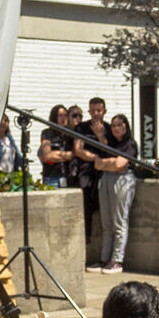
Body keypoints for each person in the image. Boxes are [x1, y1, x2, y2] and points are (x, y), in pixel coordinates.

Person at [83, 114, 137, 274]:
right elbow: (98, 164)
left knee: (119, 221)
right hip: (107, 179)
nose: (116, 128)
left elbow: (120, 164)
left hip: (123, 180)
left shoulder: (129, 144)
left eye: (119, 125)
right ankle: (104, 259)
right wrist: (110, 164)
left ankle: (117, 260)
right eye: (113, 126)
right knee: (106, 223)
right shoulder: (110, 143)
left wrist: (109, 164)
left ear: (125, 127)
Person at [72, 97, 109, 253]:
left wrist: (100, 136)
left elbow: (109, 150)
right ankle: (86, 239)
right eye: (92, 111)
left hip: (104, 171)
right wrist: (94, 158)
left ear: (104, 111)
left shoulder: (109, 127)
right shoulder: (81, 128)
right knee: (85, 202)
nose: (95, 114)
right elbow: (78, 149)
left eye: (99, 110)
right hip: (86, 170)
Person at [38, 104, 76, 188]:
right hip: (52, 177)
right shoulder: (47, 133)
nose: (63, 118)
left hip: (68, 176)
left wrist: (56, 155)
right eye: (60, 115)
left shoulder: (70, 134)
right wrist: (68, 155)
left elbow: (75, 154)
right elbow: (47, 156)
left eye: (65, 115)